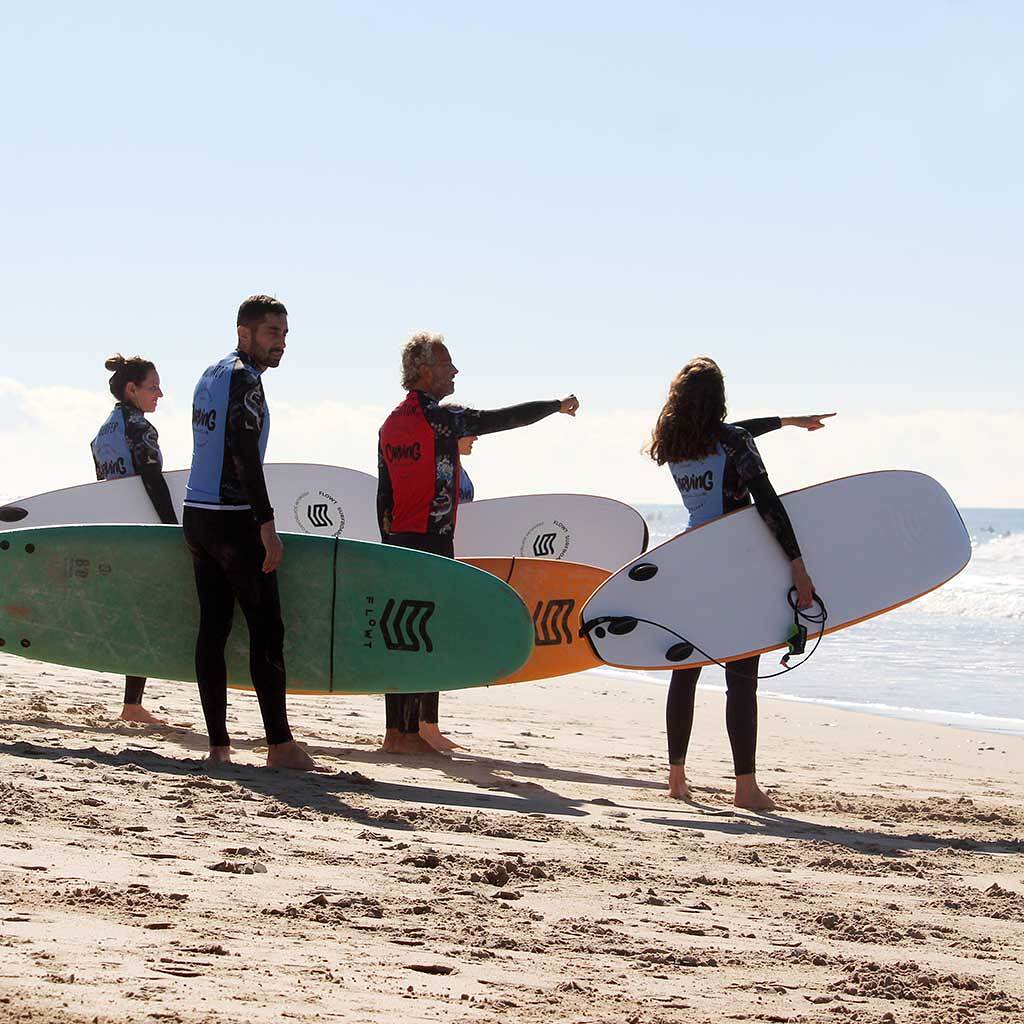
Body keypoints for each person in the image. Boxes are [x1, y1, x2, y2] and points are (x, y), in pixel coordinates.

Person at [376, 332, 579, 755]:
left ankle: (397, 733)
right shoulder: (437, 418)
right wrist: (554, 406)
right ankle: (411, 736)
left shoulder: (391, 423)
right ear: (425, 369)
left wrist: (386, 549)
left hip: (398, 542)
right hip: (432, 541)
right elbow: (501, 419)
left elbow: (385, 496)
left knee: (401, 636)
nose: (455, 371)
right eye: (448, 363)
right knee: (427, 635)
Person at [647, 356, 833, 810]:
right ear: (720, 399)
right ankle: (745, 787)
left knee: (685, 672)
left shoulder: (674, 442)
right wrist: (797, 564)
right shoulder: (733, 441)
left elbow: (736, 434)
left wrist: (786, 421)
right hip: (734, 562)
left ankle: (676, 777)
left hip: (692, 557)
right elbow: (768, 502)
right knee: (741, 677)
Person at [182, 295, 318, 771]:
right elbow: (243, 452)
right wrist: (266, 524)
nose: (280, 343)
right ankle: (279, 745)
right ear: (244, 333)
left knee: (214, 628)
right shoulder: (245, 379)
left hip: (196, 515)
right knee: (266, 630)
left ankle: (218, 744)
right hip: (233, 518)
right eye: (271, 333)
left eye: (284, 334)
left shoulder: (209, 375)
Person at [91, 354, 177, 725]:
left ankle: (133, 704)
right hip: (144, 532)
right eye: (153, 387)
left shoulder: (103, 431)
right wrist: (173, 528)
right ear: (132, 389)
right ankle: (132, 705)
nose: (160, 393)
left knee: (133, 614)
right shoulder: (139, 428)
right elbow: (153, 481)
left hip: (116, 531)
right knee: (146, 616)